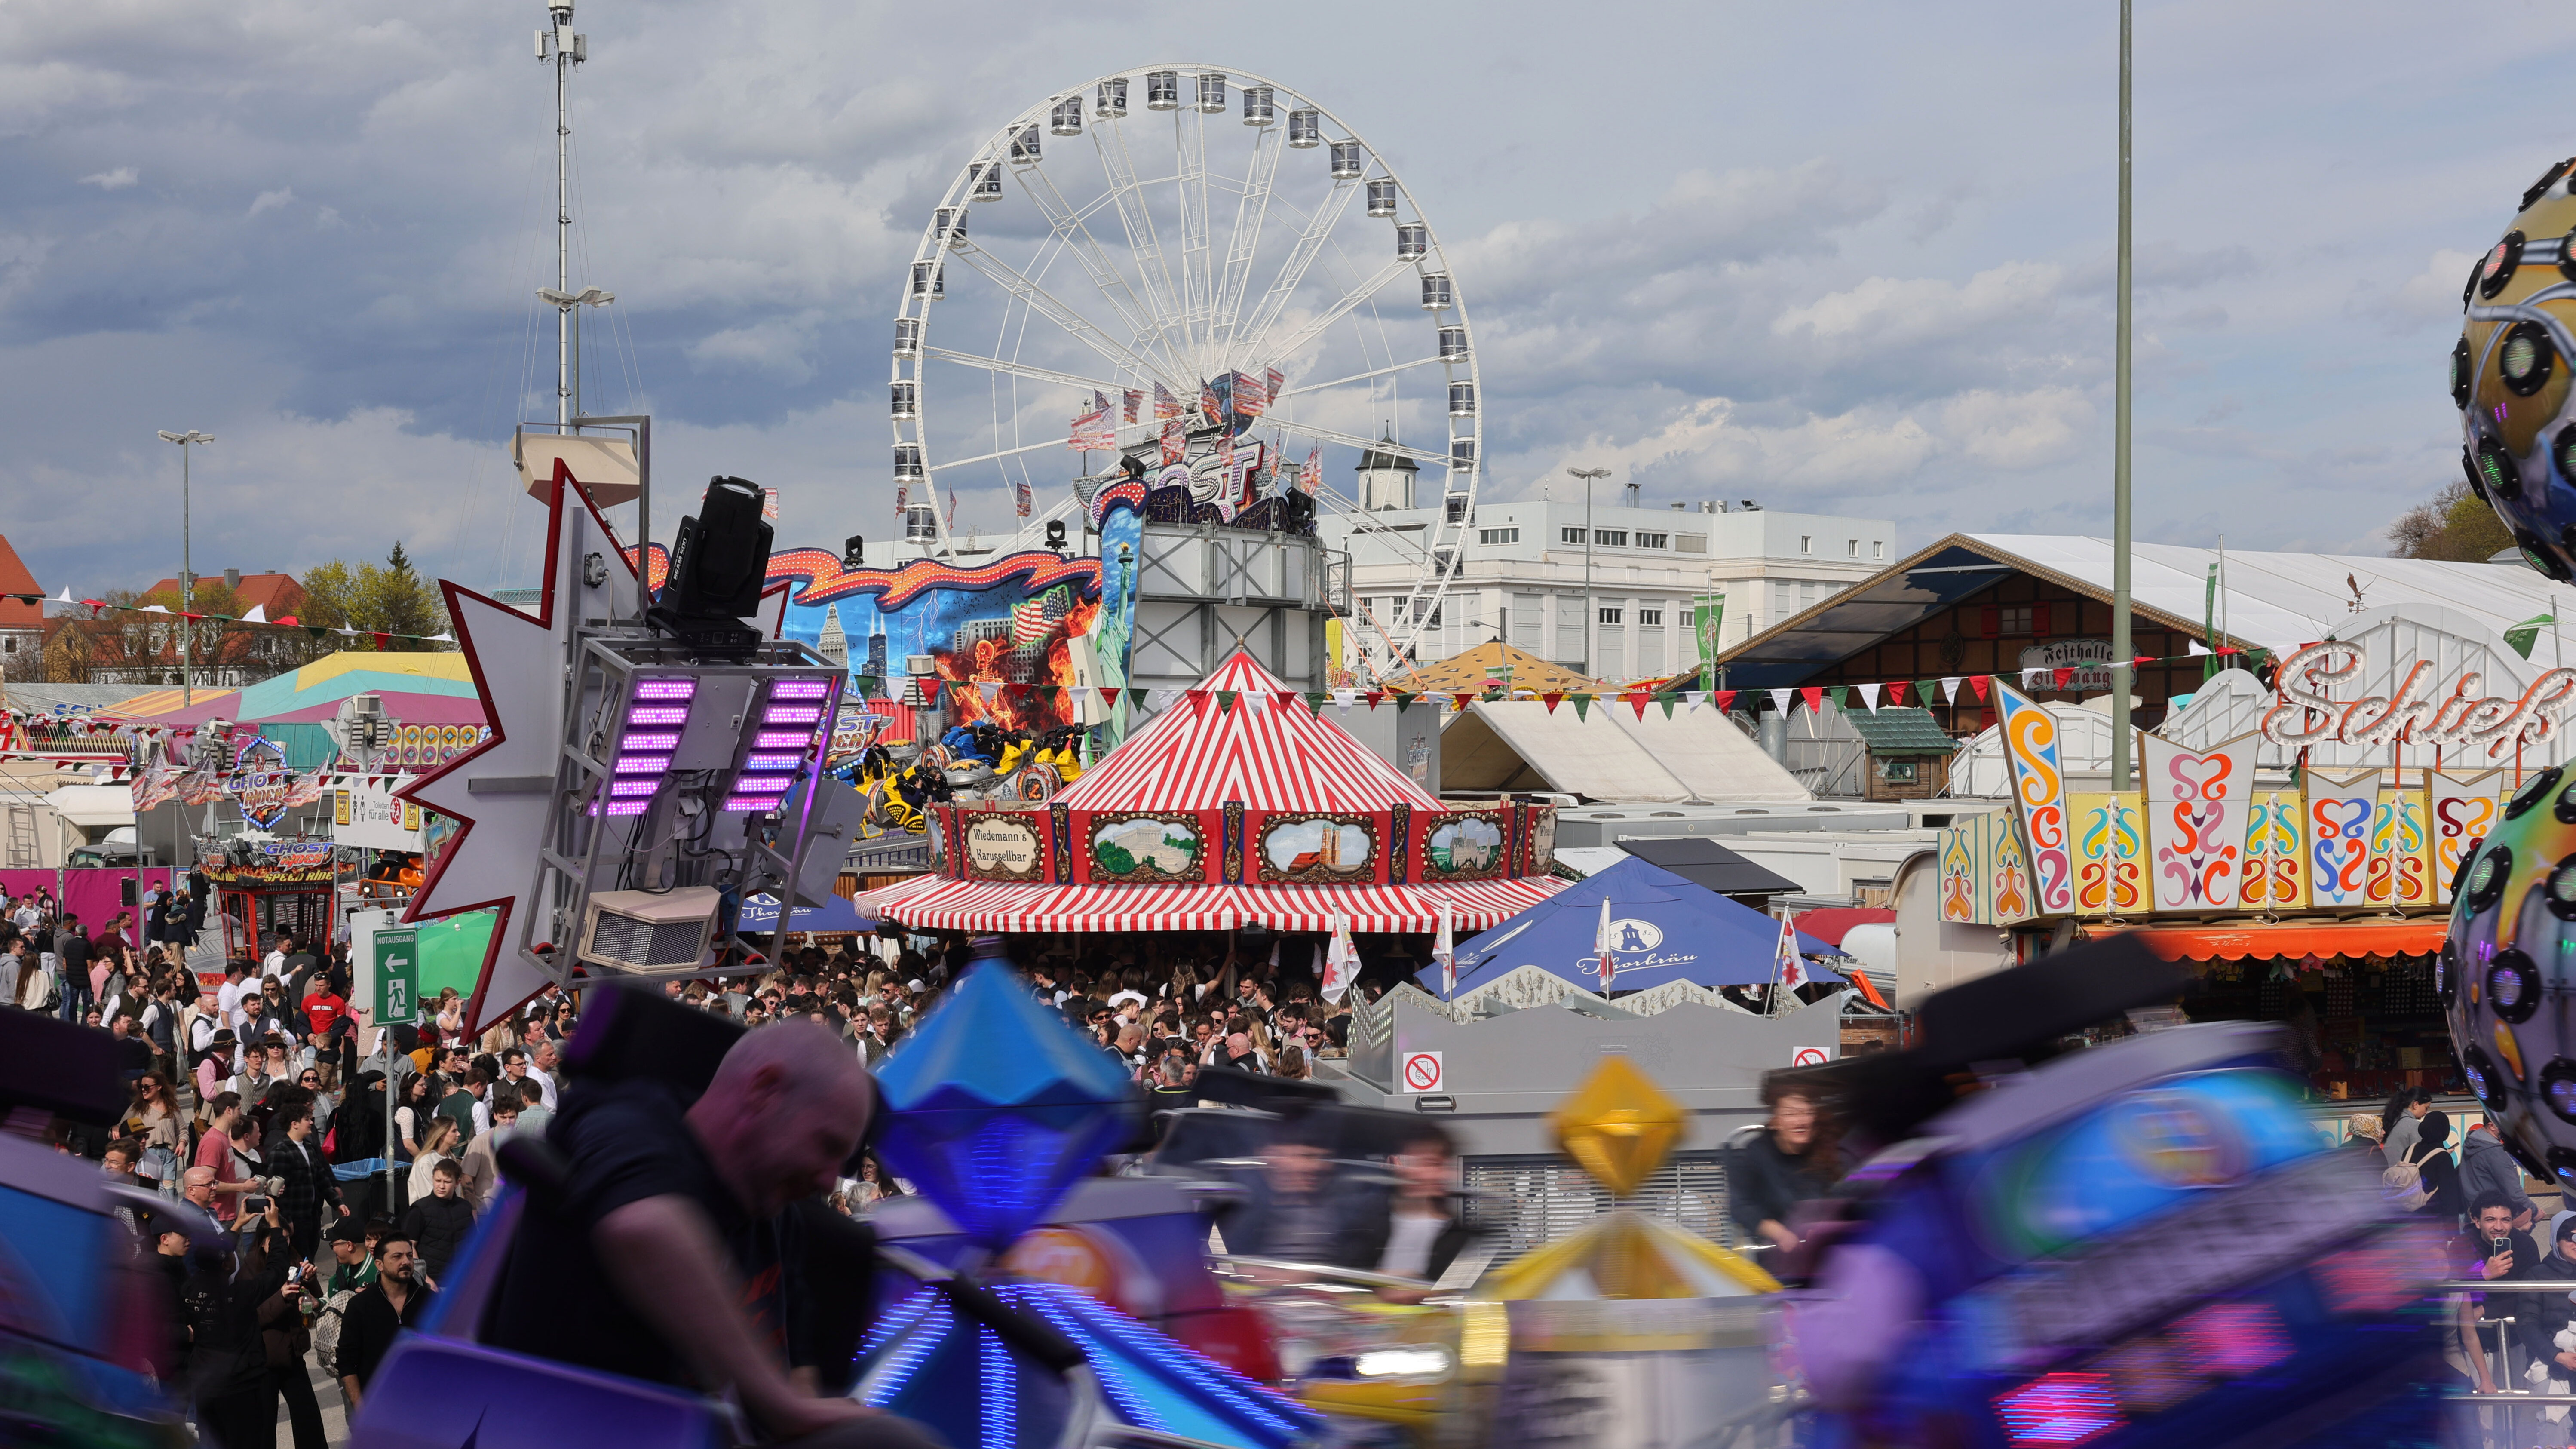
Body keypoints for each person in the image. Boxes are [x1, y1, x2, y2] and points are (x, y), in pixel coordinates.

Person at [487, 1019, 936, 1448]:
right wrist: (781, 1407)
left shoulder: (777, 1212)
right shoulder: (630, 1122)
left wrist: (805, 1411)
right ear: (763, 1091)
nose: (827, 1179)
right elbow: (641, 1226)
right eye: (826, 1146)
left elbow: (799, 1378)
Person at [1728, 1080, 1834, 1254]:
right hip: (1776, 1252)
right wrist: (1778, 1233)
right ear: (1775, 1121)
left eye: (1807, 1113)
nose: (1800, 1121)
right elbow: (1740, 1206)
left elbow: (1836, 1197)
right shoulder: (1756, 1154)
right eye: (1791, 1114)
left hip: (1821, 1251)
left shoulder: (1824, 1151)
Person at [336, 1232, 433, 1412]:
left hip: (426, 1405)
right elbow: (346, 1361)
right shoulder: (360, 1306)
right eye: (397, 1256)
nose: (406, 1261)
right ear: (379, 1265)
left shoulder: (431, 1302)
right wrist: (361, 1408)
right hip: (378, 1405)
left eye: (409, 1256)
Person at [2454, 1192, 2539, 1396]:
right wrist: (2482, 1275)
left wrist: (2484, 1309)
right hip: (2472, 1340)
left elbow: (2531, 1295)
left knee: (2512, 1400)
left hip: (2513, 1338)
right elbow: (2453, 1292)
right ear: (2476, 1221)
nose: (2499, 1227)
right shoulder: (2462, 1246)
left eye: (2506, 1220)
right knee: (2480, 1406)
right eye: (2491, 1220)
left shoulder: (2525, 1245)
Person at [400, 1159, 474, 1286]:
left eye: (447, 1182)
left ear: (458, 1183)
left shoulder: (465, 1208)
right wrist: (425, 1279)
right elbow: (409, 1247)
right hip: (431, 1282)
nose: (441, 1186)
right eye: (438, 1181)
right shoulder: (420, 1209)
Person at [2462, 1119, 2538, 1230]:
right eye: (2505, 1124)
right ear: (2492, 1126)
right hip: (2496, 1215)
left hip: (2475, 1214)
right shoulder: (2495, 1153)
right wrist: (2534, 1211)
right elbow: (2514, 1191)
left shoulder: (2472, 1144)